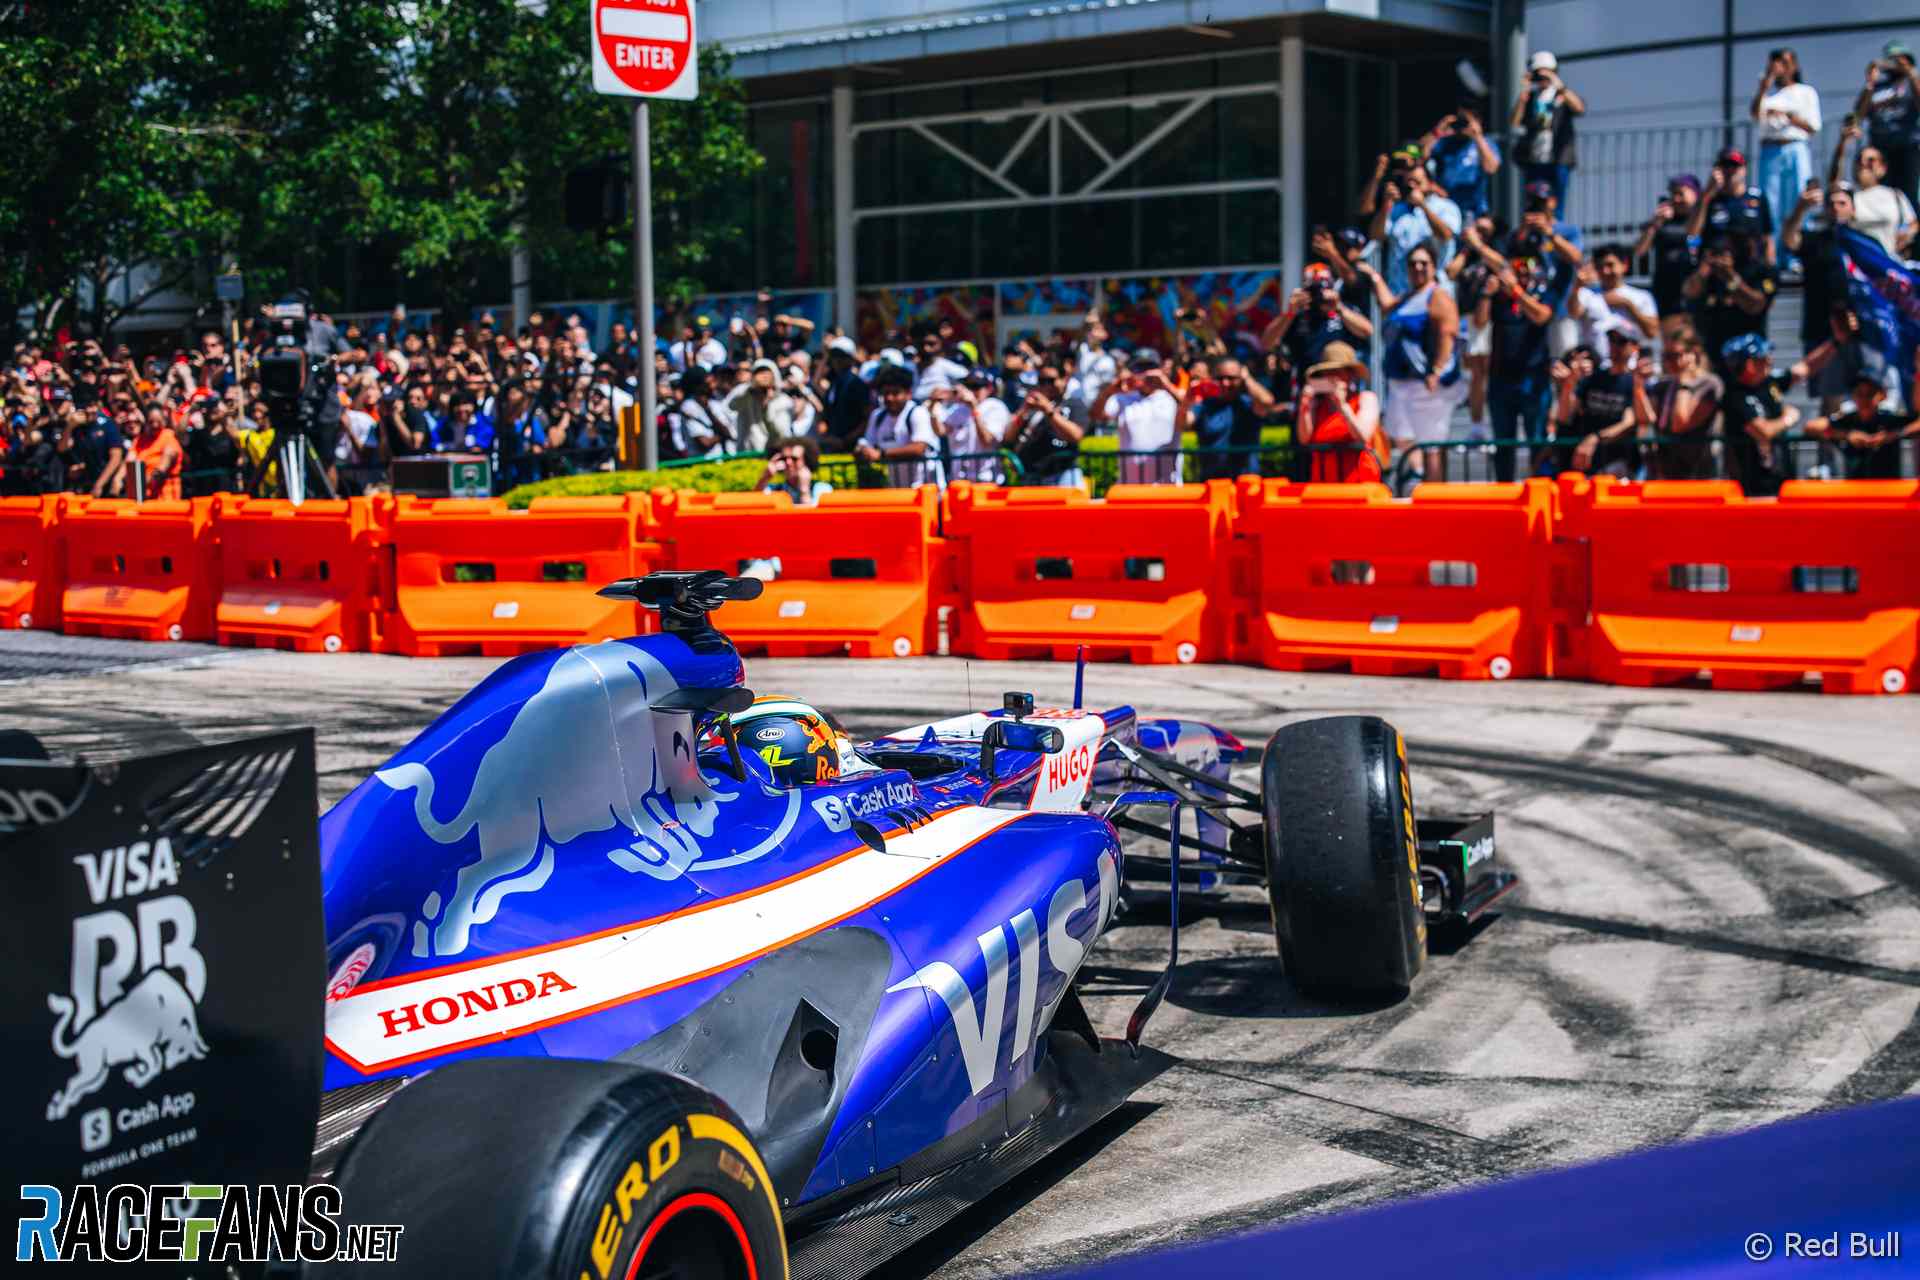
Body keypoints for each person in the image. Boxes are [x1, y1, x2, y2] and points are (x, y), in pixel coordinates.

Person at [1478, 243, 1576, 481]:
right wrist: (1486, 295)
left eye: (1528, 264)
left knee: (1537, 440)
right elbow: (1480, 323)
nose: (1522, 270)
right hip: (1500, 380)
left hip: (1533, 380)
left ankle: (1540, 487)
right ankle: (1504, 493)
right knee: (1504, 443)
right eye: (1516, 264)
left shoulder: (1544, 292)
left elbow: (1541, 316)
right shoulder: (1498, 297)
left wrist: (1517, 293)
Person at [1371, 240, 1461, 474]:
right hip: (1401, 382)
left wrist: (1437, 370)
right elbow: (1386, 306)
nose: (1418, 268)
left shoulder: (1438, 296)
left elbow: (1448, 334)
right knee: (1401, 435)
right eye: (1413, 263)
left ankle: (1434, 494)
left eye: (1424, 263)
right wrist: (1375, 278)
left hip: (1426, 382)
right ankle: (1419, 474)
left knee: (1431, 444)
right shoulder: (1408, 296)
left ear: (1433, 266)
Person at [1750, 49, 1822, 273]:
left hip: (1795, 147)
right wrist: (1764, 84)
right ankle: (1772, 255)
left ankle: (1795, 254)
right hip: (1770, 150)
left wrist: (1788, 117)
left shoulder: (1805, 92)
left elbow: (1812, 126)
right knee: (1769, 203)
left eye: (1785, 62)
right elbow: (1755, 114)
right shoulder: (1769, 97)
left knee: (1798, 200)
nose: (1780, 67)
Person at [1264, 261, 1375, 402]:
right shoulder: (1297, 316)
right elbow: (1267, 342)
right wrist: (1289, 313)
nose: (1318, 295)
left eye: (1322, 289)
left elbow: (1367, 330)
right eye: (1313, 290)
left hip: (1342, 388)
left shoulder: (1344, 310)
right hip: (1309, 389)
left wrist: (1339, 307)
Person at [1558, 323, 1647, 477]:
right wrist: (1568, 385)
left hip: (1618, 463)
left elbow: (1628, 422)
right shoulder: (1595, 378)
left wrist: (1595, 438)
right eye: (1611, 340)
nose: (1614, 346)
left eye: (1621, 341)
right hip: (1587, 462)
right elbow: (1565, 416)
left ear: (1634, 348)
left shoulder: (1634, 382)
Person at [1718, 333, 1801, 496]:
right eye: (1762, 357)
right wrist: (1788, 418)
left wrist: (1836, 343)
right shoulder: (1735, 396)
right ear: (1749, 364)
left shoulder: (1768, 383)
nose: (1769, 361)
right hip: (1753, 486)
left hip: (1780, 478)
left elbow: (1804, 369)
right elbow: (1763, 431)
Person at [1684, 236, 1776, 380]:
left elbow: (1754, 305)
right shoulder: (1706, 274)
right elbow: (1689, 292)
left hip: (1747, 359)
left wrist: (1730, 277)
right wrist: (1705, 269)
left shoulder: (1760, 270)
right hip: (1712, 355)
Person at [1368, 161, 1461, 298]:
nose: (1411, 186)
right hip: (1400, 293)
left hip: (1435, 293)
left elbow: (1445, 235)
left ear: (1430, 184)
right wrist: (1385, 206)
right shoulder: (1397, 210)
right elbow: (1376, 236)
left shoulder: (1446, 207)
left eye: (1417, 182)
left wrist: (1422, 205)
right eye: (1408, 182)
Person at [1094, 348, 1184, 485]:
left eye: (1150, 367)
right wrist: (1109, 391)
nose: (1145, 373)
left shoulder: (1172, 396)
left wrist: (1166, 384)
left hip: (1167, 485)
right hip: (1130, 485)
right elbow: (1096, 415)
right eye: (1139, 368)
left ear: (1160, 369)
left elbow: (1191, 411)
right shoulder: (1122, 398)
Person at [1296, 343, 1384, 484]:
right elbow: (1304, 439)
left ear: (1350, 375)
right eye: (1328, 372)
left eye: (1338, 372)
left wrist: (1342, 405)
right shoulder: (1317, 405)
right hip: (1323, 487)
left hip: (1359, 486)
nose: (1332, 377)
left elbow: (1362, 436)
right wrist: (1305, 407)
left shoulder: (1366, 398)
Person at [1509, 50, 1585, 213]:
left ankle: (1554, 235)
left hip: (1558, 160)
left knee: (1556, 205)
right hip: (1535, 160)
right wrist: (1524, 93)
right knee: (1533, 206)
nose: (1542, 79)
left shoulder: (1562, 95)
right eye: (1539, 75)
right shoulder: (1530, 98)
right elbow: (1514, 122)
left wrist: (1559, 85)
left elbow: (1579, 108)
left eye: (1546, 74)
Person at [1829, 123, 1919, 256]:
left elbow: (1913, 223)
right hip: (1859, 267)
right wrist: (1843, 142)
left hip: (1889, 264)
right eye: (1859, 160)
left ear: (1882, 169)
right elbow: (1834, 183)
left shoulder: (1895, 195)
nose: (1863, 164)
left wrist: (1907, 235)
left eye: (1871, 160)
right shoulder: (1850, 196)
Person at [1809, 372, 1919, 480]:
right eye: (1859, 394)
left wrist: (1894, 434)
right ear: (1853, 396)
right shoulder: (1848, 420)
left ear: (1881, 395)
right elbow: (1811, 426)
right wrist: (1847, 435)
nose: (1864, 399)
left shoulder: (1890, 419)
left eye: (1870, 394)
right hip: (1855, 490)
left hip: (1887, 490)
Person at [1632, 175, 1704, 338]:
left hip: (1696, 293)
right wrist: (1655, 223)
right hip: (1668, 293)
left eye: (1681, 194)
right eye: (1673, 195)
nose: (1676, 199)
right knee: (1674, 342)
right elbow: (1639, 250)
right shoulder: (1663, 222)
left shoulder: (1703, 218)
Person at [1183, 356, 1274, 480]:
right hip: (1213, 484)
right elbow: (1182, 425)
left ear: (1240, 379)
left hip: (1246, 484)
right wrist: (1186, 401)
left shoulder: (1249, 404)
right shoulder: (1205, 405)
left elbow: (1267, 402)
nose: (1225, 383)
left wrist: (1247, 378)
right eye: (1220, 378)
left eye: (1231, 378)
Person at [1854, 40, 1920, 205]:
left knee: (1909, 194)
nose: (1894, 64)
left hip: (1907, 148)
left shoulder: (1913, 84)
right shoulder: (1878, 87)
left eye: (1899, 59)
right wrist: (1869, 82)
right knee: (1881, 194)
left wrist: (1911, 73)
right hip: (1880, 149)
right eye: (1891, 60)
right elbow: (1858, 115)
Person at [856, 365, 941, 489]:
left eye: (895, 393)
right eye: (885, 393)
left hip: (924, 489)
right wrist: (863, 449)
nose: (890, 398)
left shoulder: (917, 413)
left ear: (908, 394)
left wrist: (882, 454)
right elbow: (868, 443)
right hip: (897, 489)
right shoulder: (878, 416)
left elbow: (919, 448)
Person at [1688, 148, 1775, 267]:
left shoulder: (1758, 197)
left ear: (1744, 169)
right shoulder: (1709, 199)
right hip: (1717, 269)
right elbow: (1692, 231)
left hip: (1749, 268)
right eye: (1725, 165)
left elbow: (1767, 237)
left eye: (1735, 165)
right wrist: (1707, 194)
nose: (1730, 170)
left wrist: (1770, 269)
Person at [1005, 363, 1085, 488]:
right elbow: (1008, 438)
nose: (1046, 385)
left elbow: (1076, 435)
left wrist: (1048, 411)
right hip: (1031, 477)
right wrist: (1023, 410)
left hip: (1061, 475)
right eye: (1042, 381)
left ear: (1064, 380)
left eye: (1051, 380)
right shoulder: (1030, 407)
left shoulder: (1073, 404)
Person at [1422, 104, 1501, 219]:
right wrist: (1438, 130)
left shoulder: (1486, 143)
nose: (1462, 125)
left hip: (1473, 209)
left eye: (1466, 121)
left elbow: (1491, 168)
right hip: (1446, 206)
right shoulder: (1446, 142)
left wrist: (1477, 136)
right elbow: (1420, 155)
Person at [941, 368, 1012, 483]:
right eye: (968, 386)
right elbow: (941, 431)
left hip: (986, 480)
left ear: (989, 389)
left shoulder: (995, 406)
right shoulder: (959, 408)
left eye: (975, 387)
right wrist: (933, 407)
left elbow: (987, 440)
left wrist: (974, 408)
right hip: (959, 480)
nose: (971, 391)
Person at [725, 358, 794, 455]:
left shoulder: (784, 401)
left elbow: (782, 434)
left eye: (766, 372)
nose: (763, 376)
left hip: (772, 455)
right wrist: (751, 388)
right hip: (746, 455)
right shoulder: (745, 393)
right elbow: (731, 406)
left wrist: (766, 409)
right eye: (759, 373)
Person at [815, 336, 872, 453]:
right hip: (834, 446)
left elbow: (867, 419)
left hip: (853, 449)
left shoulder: (857, 384)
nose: (837, 361)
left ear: (851, 359)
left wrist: (844, 440)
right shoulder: (834, 384)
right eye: (834, 356)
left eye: (842, 356)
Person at [756, 435, 832, 505]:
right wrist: (765, 477)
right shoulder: (774, 489)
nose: (788, 462)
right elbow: (755, 502)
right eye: (784, 458)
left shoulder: (822, 489)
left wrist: (804, 491)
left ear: (807, 461)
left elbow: (814, 517)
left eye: (794, 459)